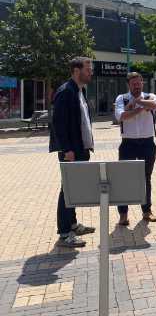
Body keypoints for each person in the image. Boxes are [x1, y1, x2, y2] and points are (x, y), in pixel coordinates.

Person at [49, 57, 96, 247]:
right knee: (67, 190)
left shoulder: (79, 91)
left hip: (80, 148)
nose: (91, 72)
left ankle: (73, 224)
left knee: (74, 189)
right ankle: (64, 233)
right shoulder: (65, 92)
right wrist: (67, 149)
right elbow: (58, 124)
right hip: (71, 151)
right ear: (77, 71)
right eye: (88, 68)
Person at [114, 72, 156, 225]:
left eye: (139, 82)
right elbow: (120, 116)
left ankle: (146, 211)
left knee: (145, 178)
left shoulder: (150, 96)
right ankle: (123, 214)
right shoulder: (121, 98)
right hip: (128, 144)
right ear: (129, 85)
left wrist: (138, 104)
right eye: (133, 83)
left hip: (147, 143)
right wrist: (141, 107)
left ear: (142, 83)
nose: (136, 85)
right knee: (124, 179)